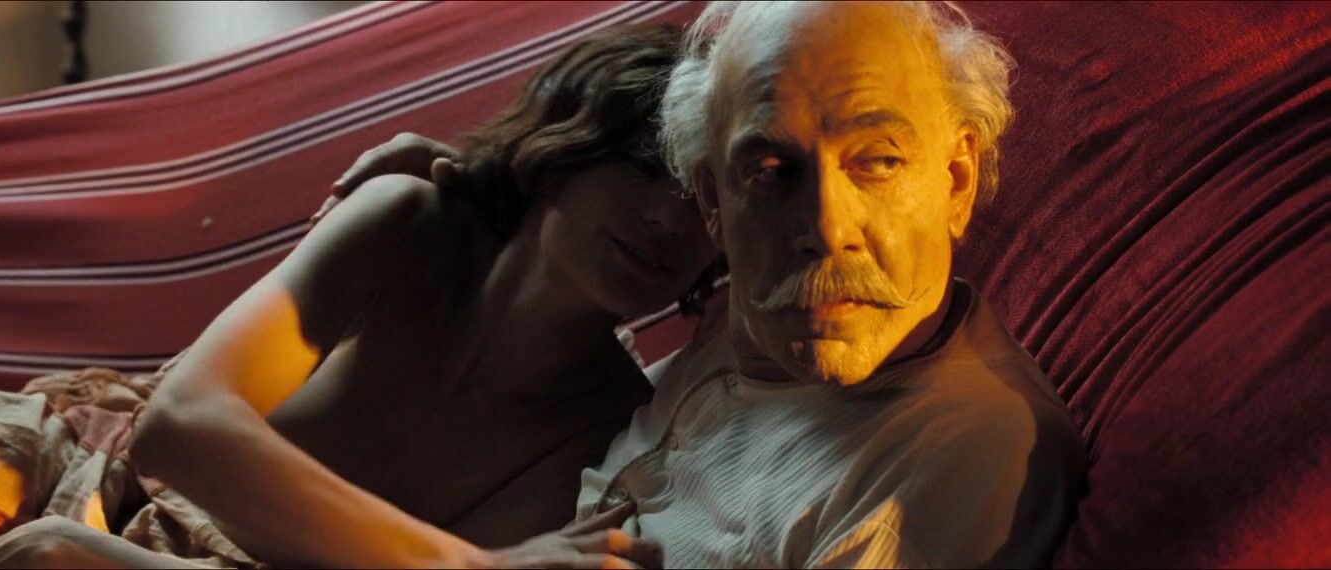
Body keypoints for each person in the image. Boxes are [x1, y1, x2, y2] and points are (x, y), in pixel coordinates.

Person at [336, 1, 1087, 567]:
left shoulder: (961, 457)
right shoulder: (756, 313)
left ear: (957, 180)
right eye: (771, 172)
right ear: (713, 206)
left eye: (878, 161)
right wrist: (475, 185)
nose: (828, 228)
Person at [0, 25, 714, 569]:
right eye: (647, 166)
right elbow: (176, 428)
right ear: (564, 151)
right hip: (87, 457)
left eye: (708, 202)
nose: (671, 222)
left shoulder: (610, 428)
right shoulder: (413, 222)